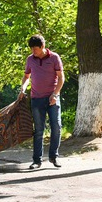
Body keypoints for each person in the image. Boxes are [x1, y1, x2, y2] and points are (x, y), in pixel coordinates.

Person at [19, 34, 65, 169]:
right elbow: (27, 77)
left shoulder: (54, 58)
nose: (33, 51)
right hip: (36, 99)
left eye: (36, 49)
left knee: (56, 127)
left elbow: (61, 78)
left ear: (43, 46)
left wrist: (55, 94)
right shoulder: (30, 59)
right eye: (32, 49)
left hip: (52, 98)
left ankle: (53, 156)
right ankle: (37, 160)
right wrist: (23, 87)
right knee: (38, 130)